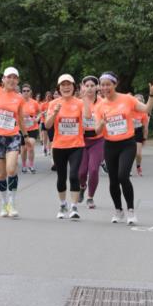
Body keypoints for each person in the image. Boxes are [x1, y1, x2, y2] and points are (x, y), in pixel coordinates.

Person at [94, 72, 153, 224]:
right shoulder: (100, 106)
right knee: (113, 180)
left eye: (108, 84)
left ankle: (131, 211)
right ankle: (118, 211)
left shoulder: (127, 99)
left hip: (127, 144)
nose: (105, 88)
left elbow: (145, 109)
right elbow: (96, 131)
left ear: (115, 84)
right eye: (102, 85)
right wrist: (102, 124)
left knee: (123, 176)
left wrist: (152, 95)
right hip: (110, 145)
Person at [0, 35, 26, 218]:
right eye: (9, 77)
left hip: (13, 136)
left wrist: (27, 136)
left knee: (11, 169)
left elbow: (21, 119)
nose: (12, 80)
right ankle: (4, 202)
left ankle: (13, 203)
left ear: (17, 81)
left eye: (15, 78)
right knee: (1, 174)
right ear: (3, 79)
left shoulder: (19, 98)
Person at [45, 74, 95, 219]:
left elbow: (87, 117)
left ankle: (74, 207)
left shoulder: (79, 102)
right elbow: (47, 125)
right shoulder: (53, 103)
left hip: (76, 145)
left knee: (74, 175)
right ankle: (62, 204)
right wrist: (54, 113)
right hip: (59, 146)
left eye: (69, 84)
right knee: (61, 177)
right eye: (63, 85)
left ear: (74, 87)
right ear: (59, 88)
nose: (66, 87)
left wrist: (85, 98)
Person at [78, 75, 104, 209]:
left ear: (97, 87)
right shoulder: (78, 102)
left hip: (98, 140)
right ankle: (82, 186)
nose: (89, 88)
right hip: (81, 141)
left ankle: (90, 197)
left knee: (93, 170)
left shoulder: (103, 103)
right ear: (82, 87)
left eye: (92, 86)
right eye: (86, 86)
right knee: (81, 172)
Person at [20, 84, 40, 173]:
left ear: (30, 92)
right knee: (23, 149)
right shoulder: (19, 102)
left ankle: (31, 165)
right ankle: (24, 165)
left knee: (30, 146)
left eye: (27, 91)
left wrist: (37, 119)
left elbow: (39, 113)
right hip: (22, 129)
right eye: (24, 91)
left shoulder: (34, 102)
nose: (26, 92)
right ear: (21, 92)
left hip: (33, 128)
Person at [133, 93, 149, 176]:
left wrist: (145, 139)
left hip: (138, 132)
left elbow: (145, 128)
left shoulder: (143, 113)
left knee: (138, 153)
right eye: (136, 101)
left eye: (139, 101)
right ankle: (127, 169)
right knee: (129, 153)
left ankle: (138, 166)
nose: (137, 102)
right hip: (128, 133)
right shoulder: (129, 110)